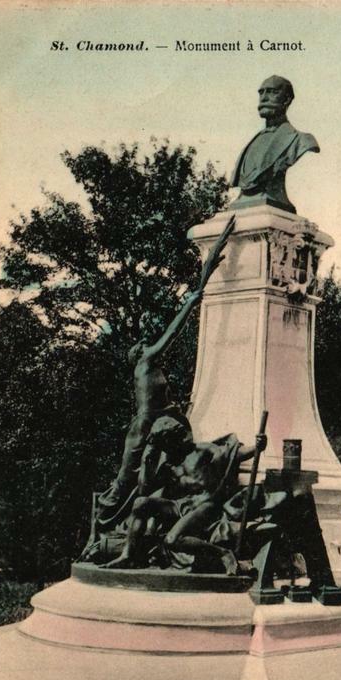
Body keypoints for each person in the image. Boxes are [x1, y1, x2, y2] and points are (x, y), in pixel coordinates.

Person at [97, 216, 235, 522]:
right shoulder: (146, 360)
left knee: (149, 472)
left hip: (160, 422)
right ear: (137, 355)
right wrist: (190, 303)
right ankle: (106, 516)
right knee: (126, 479)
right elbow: (171, 334)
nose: (146, 340)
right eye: (141, 343)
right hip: (147, 426)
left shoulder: (149, 365)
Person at [101, 415, 267, 574]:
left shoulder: (202, 450)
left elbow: (233, 454)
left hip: (205, 505)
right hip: (180, 505)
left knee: (172, 540)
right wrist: (147, 459)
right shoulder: (169, 465)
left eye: (167, 443)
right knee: (140, 503)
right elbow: (144, 489)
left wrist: (256, 447)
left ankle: (223, 553)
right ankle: (129, 556)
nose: (166, 449)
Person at [230, 76, 319, 214]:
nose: (264, 98)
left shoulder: (301, 140)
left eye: (272, 92)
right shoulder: (253, 142)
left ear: (287, 99)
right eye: (261, 92)